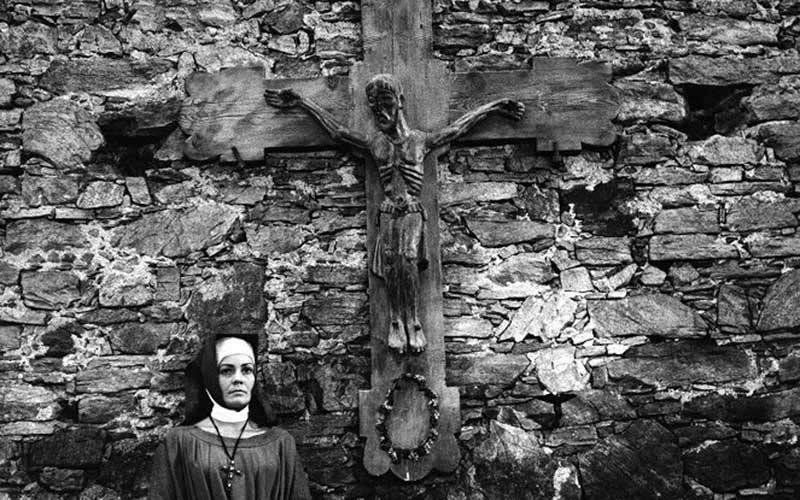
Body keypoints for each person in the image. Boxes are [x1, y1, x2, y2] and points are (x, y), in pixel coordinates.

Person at [266, 75, 524, 355]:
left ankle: (413, 321)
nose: (382, 113)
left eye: (387, 103)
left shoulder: (420, 141)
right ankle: (395, 322)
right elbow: (338, 132)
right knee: (390, 261)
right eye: (375, 107)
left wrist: (494, 107)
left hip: (412, 210)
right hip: (388, 210)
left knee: (408, 258)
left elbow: (457, 129)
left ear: (400, 101)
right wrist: (302, 102)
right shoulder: (376, 143)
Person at [148, 334, 311, 500]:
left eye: (247, 370)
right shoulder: (179, 442)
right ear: (211, 378)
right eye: (227, 371)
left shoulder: (281, 443)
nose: (238, 379)